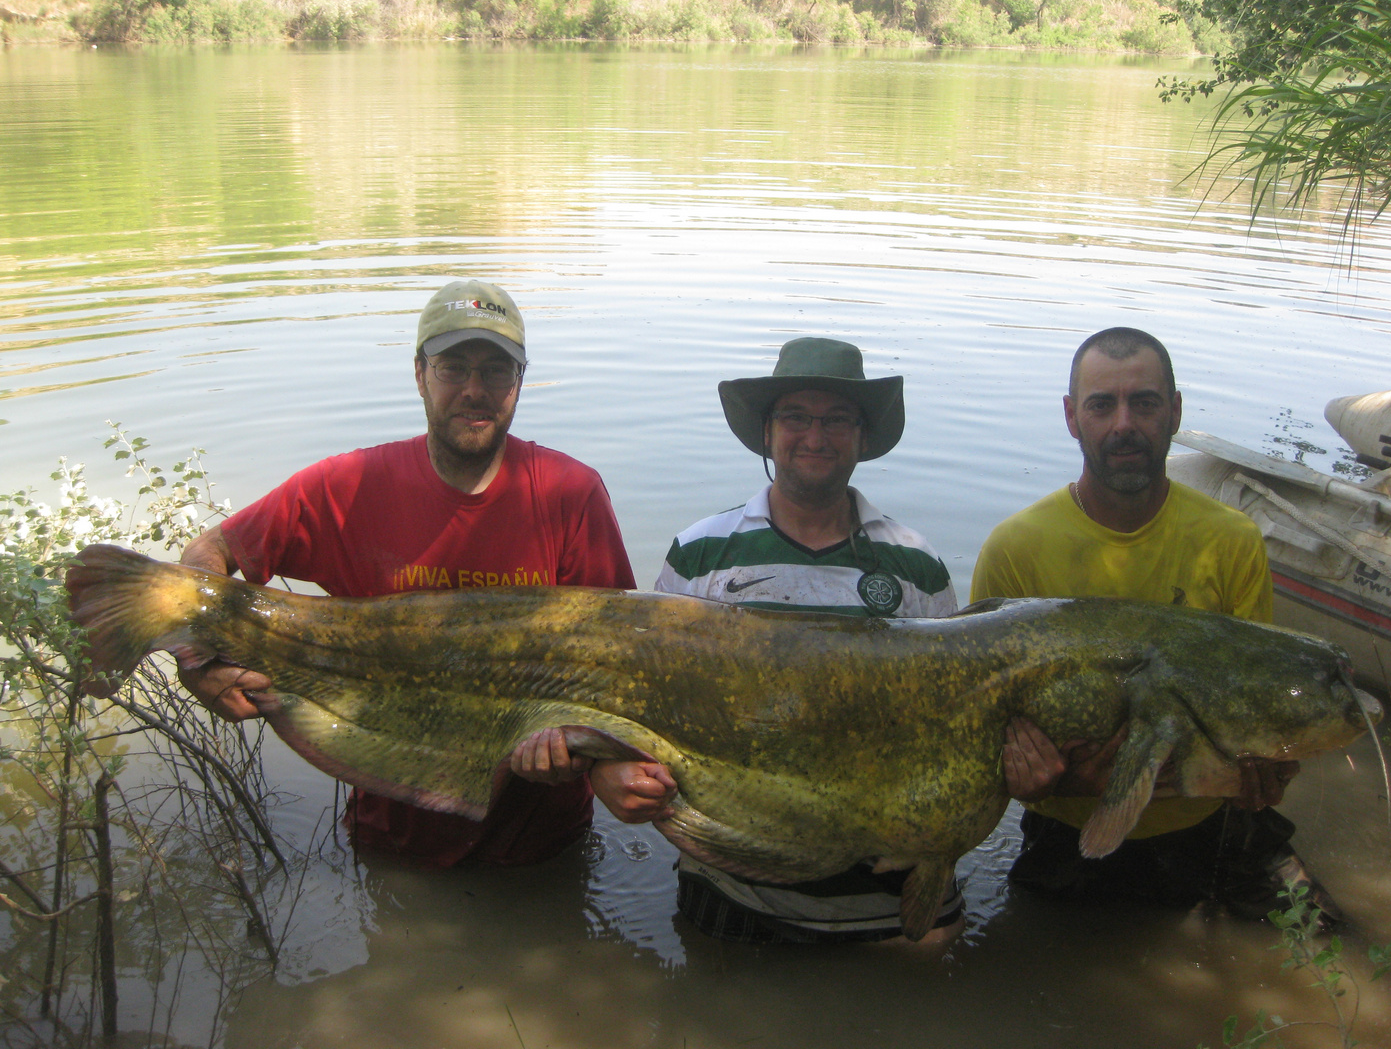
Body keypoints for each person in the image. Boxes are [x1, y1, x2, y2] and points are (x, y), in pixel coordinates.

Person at [176, 279, 644, 869]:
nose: (475, 391)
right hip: (393, 837)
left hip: (545, 842)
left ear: (519, 381)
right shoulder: (349, 487)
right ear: (419, 373)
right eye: (454, 368)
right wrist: (202, 665)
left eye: (496, 371)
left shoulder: (570, 494)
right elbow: (209, 555)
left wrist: (587, 754)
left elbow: (621, 671)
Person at [969, 326, 1329, 921]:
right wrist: (1043, 781)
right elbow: (985, 735)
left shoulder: (1232, 540)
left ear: (1176, 411)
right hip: (1067, 835)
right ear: (1070, 417)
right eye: (1102, 404)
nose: (1123, 425)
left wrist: (1269, 771)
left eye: (1145, 402)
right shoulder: (1015, 548)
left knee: (1328, 937)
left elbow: (1259, 708)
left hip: (1208, 828)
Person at [652, 335, 961, 942]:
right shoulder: (699, 553)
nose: (815, 438)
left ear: (863, 438)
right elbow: (655, 704)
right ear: (767, 432)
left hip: (889, 906)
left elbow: (950, 729)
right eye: (795, 417)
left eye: (837, 420)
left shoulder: (917, 565)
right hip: (733, 890)